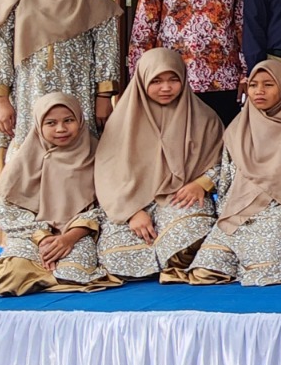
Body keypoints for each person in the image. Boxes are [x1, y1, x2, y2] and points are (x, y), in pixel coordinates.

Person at [0, 0, 123, 249]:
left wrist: (104, 95)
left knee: (78, 157)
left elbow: (106, 47)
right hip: (29, 95)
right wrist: (0, 99)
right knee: (28, 160)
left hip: (78, 93)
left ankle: (78, 233)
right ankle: (31, 235)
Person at [163, 61, 281, 286]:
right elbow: (226, 177)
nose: (259, 91)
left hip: (277, 215)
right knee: (204, 271)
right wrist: (223, 215)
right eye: (253, 85)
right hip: (236, 214)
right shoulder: (237, 129)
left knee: (263, 273)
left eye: (268, 85)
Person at [0, 94, 121, 295]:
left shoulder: (97, 154)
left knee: (75, 272)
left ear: (81, 120)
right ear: (38, 125)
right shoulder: (23, 159)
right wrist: (43, 237)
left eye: (68, 120)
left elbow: (107, 204)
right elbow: (7, 210)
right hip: (30, 237)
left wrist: (69, 238)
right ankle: (38, 276)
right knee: (7, 276)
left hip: (78, 235)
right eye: (51, 123)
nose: (61, 129)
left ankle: (39, 278)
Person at [94, 48, 223, 280]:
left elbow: (224, 161)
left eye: (173, 79)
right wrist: (132, 212)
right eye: (156, 81)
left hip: (180, 196)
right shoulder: (122, 121)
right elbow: (107, 173)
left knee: (191, 237)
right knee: (116, 257)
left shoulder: (204, 118)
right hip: (130, 200)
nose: (166, 88)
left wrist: (202, 183)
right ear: (142, 80)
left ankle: (169, 258)